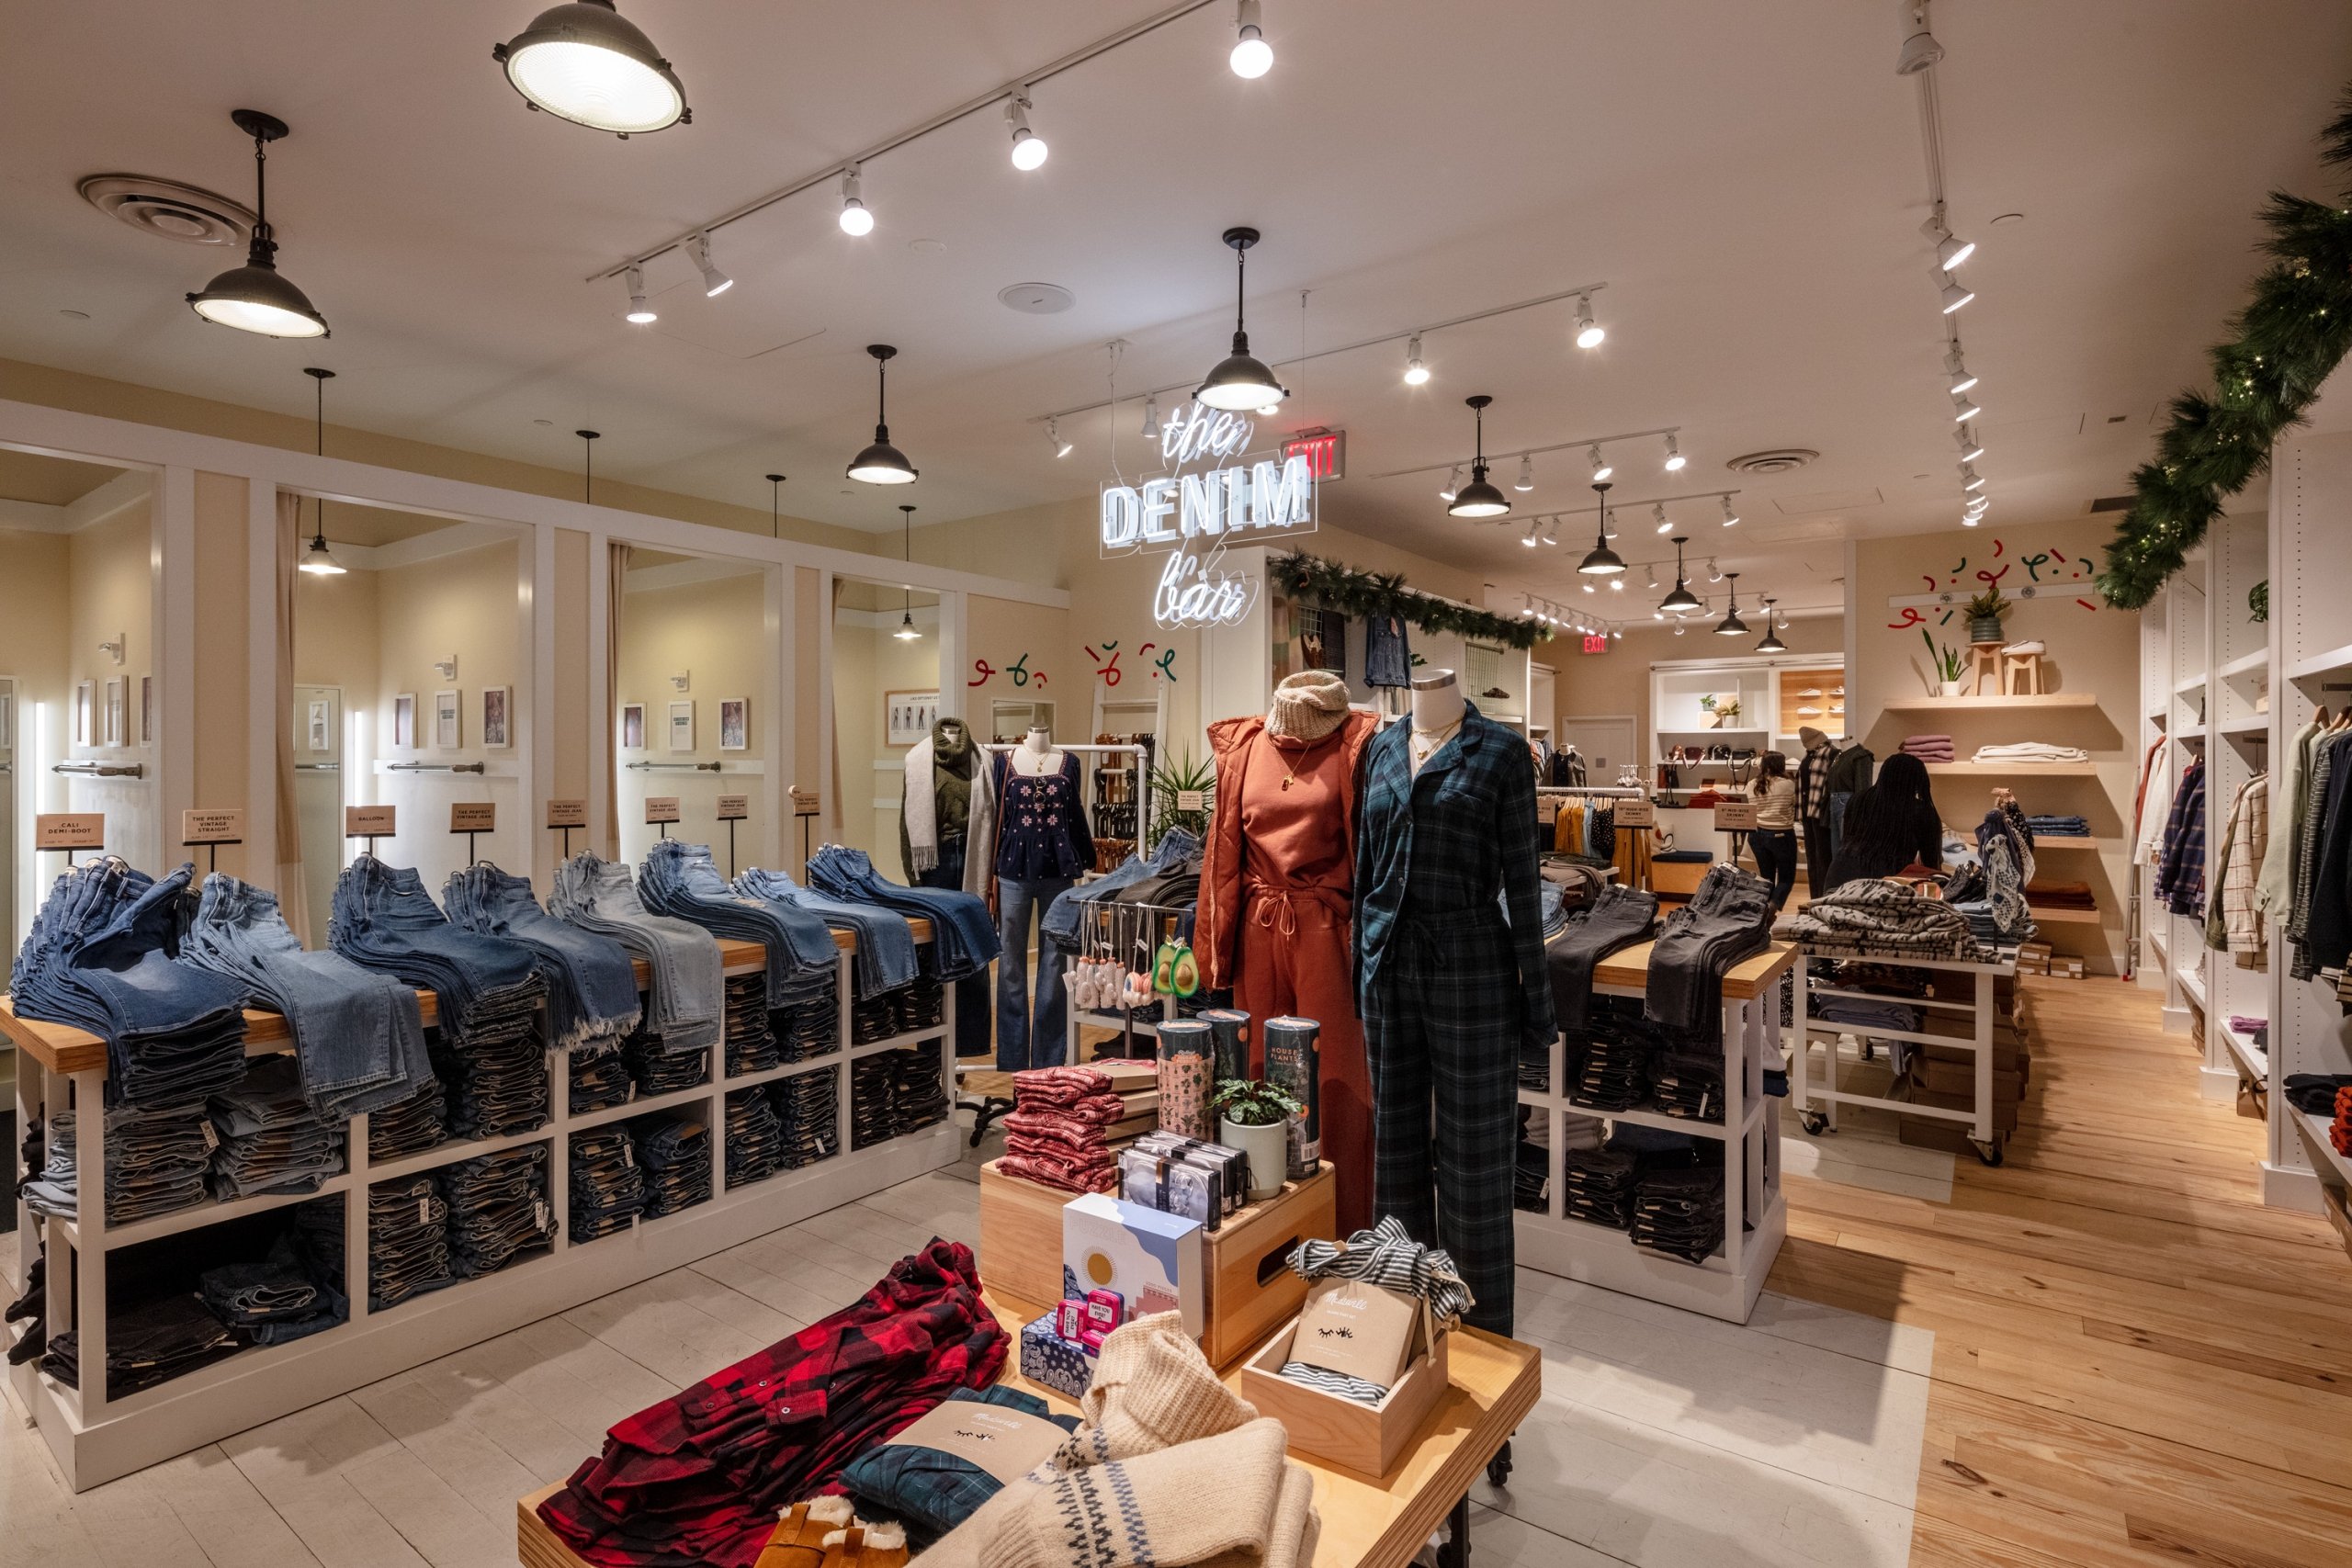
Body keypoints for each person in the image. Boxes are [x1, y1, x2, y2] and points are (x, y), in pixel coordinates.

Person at [1820, 751, 1945, 892]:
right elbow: (1931, 866)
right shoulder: (1921, 811)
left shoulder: (1858, 801)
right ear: (1918, 782)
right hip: (1884, 887)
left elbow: (1848, 840)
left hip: (1838, 878)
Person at [1747, 750, 1800, 911]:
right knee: (1786, 878)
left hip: (1757, 835)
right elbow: (1795, 806)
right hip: (1782, 835)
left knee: (1766, 877)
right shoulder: (1789, 784)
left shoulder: (1751, 785)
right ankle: (1772, 907)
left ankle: (1762, 913)